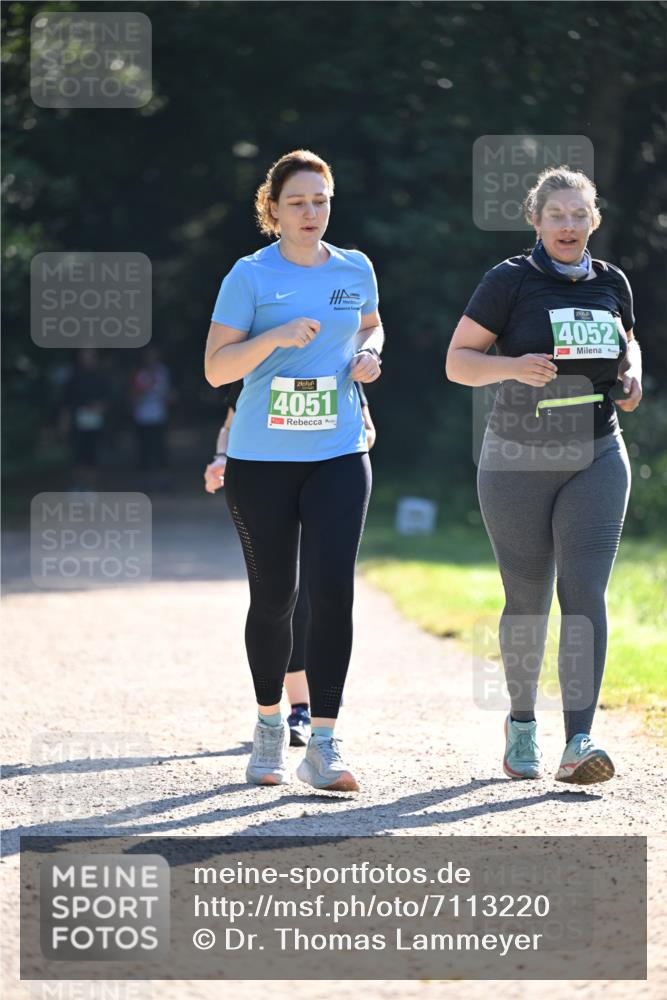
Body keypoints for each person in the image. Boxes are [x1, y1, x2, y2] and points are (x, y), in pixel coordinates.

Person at [446, 166, 642, 785]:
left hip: (597, 452)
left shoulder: (612, 282)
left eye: (579, 215)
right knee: (527, 600)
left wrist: (633, 373)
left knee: (584, 593)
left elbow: (628, 342)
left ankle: (580, 738)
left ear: (594, 221)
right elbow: (458, 363)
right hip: (517, 457)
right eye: (556, 215)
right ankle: (523, 725)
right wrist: (510, 367)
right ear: (536, 220)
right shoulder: (509, 281)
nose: (568, 225)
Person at [204, 149, 383, 791]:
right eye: (299, 202)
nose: (312, 212)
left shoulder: (355, 267)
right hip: (261, 460)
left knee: (332, 590)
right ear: (273, 209)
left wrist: (367, 355)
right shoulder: (249, 276)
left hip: (338, 453)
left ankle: (326, 741)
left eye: (322, 200)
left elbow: (371, 325)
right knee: (275, 597)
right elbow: (217, 368)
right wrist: (273, 340)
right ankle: (269, 725)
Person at [204, 380, 377, 747]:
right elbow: (230, 426)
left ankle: (313, 709)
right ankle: (293, 707)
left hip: (328, 475)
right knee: (282, 596)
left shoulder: (337, 361)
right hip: (266, 478)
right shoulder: (260, 360)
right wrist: (222, 458)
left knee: (324, 594)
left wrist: (343, 441)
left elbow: (367, 427)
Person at [59, 348, 112, 493]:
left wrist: (101, 406)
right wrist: (64, 424)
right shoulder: (73, 378)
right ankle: (78, 485)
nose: (87, 359)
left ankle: (91, 487)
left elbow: (108, 399)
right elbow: (66, 403)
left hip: (95, 422)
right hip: (78, 422)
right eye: (84, 356)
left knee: (93, 456)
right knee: (77, 456)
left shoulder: (101, 378)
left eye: (90, 356)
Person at [130, 347, 172, 488]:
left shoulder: (162, 371)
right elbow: (134, 395)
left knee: (160, 449)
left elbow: (167, 393)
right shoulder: (140, 374)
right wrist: (147, 387)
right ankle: (144, 483)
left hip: (159, 416)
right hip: (142, 417)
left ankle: (163, 482)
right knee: (144, 449)